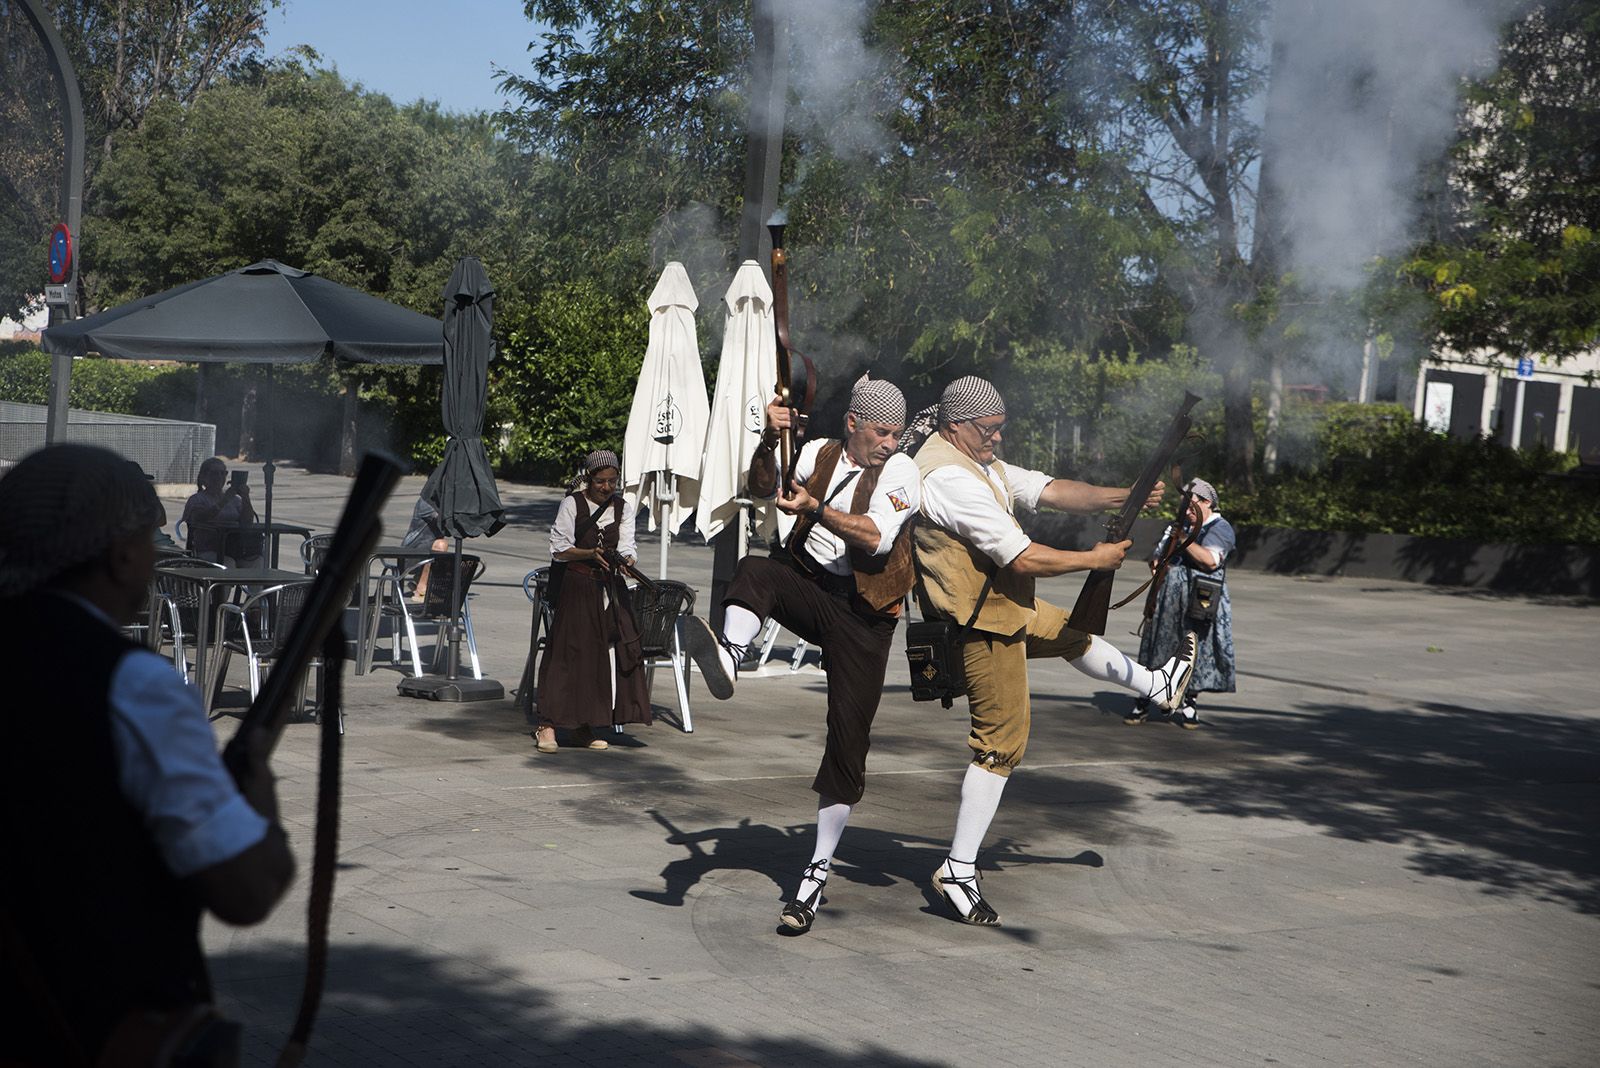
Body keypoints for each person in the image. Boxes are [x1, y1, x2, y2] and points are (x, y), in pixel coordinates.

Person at [0, 444, 295, 1066]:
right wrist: (257, 785)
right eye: (146, 540)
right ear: (120, 553)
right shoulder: (134, 683)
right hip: (103, 1024)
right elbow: (246, 892)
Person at [908, 376, 1194, 927]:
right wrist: (1094, 559)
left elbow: (1046, 489)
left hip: (1001, 608)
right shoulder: (947, 476)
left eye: (999, 429)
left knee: (1073, 632)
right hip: (979, 623)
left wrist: (1124, 495)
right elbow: (1020, 557)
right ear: (955, 425)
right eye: (988, 430)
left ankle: (1157, 686)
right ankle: (957, 871)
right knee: (1000, 746)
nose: (997, 438)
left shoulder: (977, 460)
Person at [679, 374, 920, 934]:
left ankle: (814, 873)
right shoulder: (815, 451)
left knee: (847, 743)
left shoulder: (903, 471)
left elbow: (876, 537)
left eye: (897, 433)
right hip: (812, 590)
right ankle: (731, 657)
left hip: (865, 618)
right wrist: (768, 438)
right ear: (853, 424)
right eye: (881, 432)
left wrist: (815, 509)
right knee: (756, 569)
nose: (890, 441)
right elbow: (764, 488)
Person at [533, 450, 648, 753]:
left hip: (609, 590)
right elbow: (558, 549)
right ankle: (547, 725)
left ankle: (585, 725)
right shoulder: (572, 504)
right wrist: (588, 554)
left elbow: (627, 544)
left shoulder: (624, 508)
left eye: (612, 481)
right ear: (589, 479)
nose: (607, 487)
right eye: (600, 481)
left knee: (601, 657)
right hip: (576, 586)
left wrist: (625, 561)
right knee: (566, 656)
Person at [1127, 478, 1237, 729]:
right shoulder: (1176, 527)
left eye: (1191, 507)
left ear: (1206, 503)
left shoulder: (1220, 528)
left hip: (1201, 597)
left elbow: (1210, 561)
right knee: (1158, 643)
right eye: (1184, 507)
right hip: (1169, 596)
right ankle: (1145, 698)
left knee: (1196, 647)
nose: (1186, 512)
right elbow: (1156, 559)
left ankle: (1189, 702)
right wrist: (1159, 564)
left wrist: (1184, 537)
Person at [180, 456, 262, 565]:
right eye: (214, 473)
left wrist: (245, 497)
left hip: (234, 547)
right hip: (208, 549)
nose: (219, 477)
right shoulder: (197, 499)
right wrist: (224, 501)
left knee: (257, 561)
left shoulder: (235, 500)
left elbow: (247, 522)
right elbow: (201, 518)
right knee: (228, 563)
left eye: (222, 473)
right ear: (204, 477)